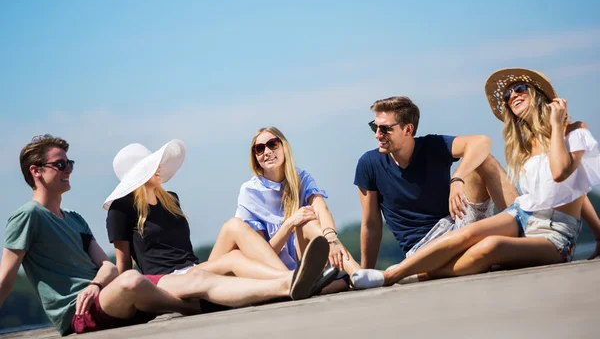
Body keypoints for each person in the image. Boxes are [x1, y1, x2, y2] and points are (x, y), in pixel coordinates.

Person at [0, 135, 327, 336]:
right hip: (79, 313)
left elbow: (108, 267)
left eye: (69, 162)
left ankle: (286, 284)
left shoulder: (74, 220)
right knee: (134, 281)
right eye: (61, 164)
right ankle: (205, 306)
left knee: (197, 278)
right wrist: (104, 283)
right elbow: (6, 277)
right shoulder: (28, 217)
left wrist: (98, 283)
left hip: (108, 293)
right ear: (36, 171)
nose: (69, 168)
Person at [349, 67, 600, 288]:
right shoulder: (526, 144)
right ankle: (394, 273)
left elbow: (564, 175)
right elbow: (573, 188)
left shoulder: (573, 130)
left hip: (553, 231)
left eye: (520, 88)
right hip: (522, 215)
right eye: (507, 94)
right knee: (473, 237)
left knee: (490, 246)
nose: (512, 95)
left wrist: (457, 178)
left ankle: (400, 275)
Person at [103, 139, 331, 302]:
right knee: (233, 258)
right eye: (152, 165)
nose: (159, 166)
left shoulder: (170, 200)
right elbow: (124, 265)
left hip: (194, 268)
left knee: (233, 226)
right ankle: (292, 278)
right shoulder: (120, 209)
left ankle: (293, 279)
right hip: (167, 279)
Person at [355, 96, 518, 269]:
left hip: (459, 226)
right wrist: (366, 272)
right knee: (485, 254)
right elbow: (371, 224)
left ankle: (524, 229)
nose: (377, 134)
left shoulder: (433, 146)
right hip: (424, 248)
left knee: (483, 160)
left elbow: (482, 142)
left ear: (408, 130)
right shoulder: (369, 164)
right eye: (374, 126)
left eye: (385, 129)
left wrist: (457, 178)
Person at [213, 127, 360, 293]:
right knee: (301, 220)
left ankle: (356, 272)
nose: (266, 152)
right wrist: (289, 224)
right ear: (255, 157)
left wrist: (332, 239)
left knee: (309, 223)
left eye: (272, 144)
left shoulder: (301, 178)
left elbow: (321, 208)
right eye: (259, 149)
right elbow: (262, 255)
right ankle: (336, 282)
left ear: (284, 147)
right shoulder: (250, 192)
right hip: (272, 271)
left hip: (304, 266)